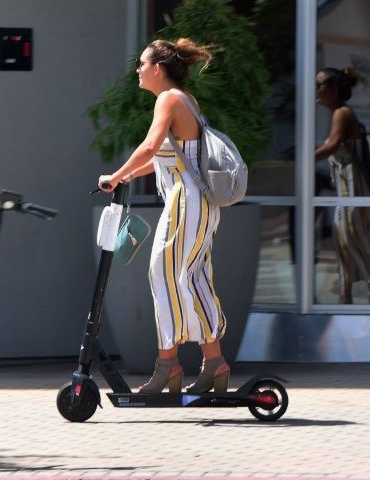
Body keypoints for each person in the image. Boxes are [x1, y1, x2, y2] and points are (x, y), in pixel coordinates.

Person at [98, 38, 229, 394]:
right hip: (198, 203)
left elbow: (150, 147)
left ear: (158, 68)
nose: (138, 70)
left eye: (141, 64)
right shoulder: (184, 100)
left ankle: (168, 366)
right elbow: (164, 158)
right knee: (195, 276)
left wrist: (114, 174)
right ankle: (214, 363)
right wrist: (124, 176)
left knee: (163, 273)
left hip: (185, 202)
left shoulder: (168, 99)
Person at [314, 67, 370, 304]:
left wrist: (306, 157)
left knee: (355, 235)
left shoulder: (342, 113)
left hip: (354, 185)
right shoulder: (339, 113)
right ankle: (347, 292)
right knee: (341, 237)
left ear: (333, 90)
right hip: (346, 187)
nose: (316, 90)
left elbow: (333, 146)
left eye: (319, 85)